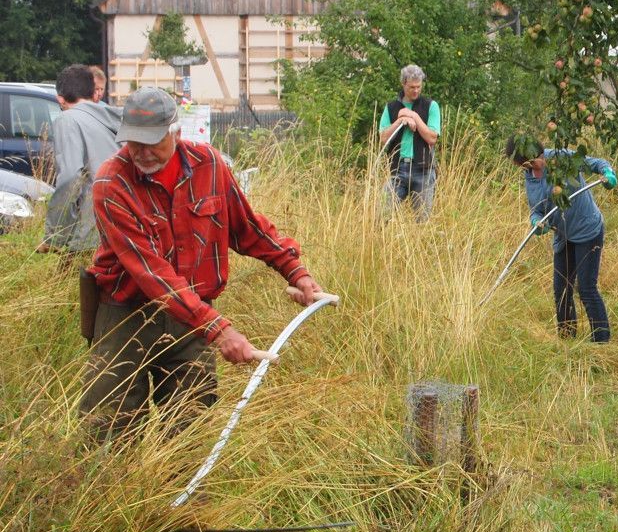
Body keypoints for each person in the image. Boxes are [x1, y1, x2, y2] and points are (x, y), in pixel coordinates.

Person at [82, 87, 323, 441]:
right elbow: (152, 274)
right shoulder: (111, 183)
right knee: (110, 429)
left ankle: (183, 496)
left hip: (191, 322)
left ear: (175, 132)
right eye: (134, 143)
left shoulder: (209, 165)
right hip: (124, 316)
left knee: (189, 427)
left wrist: (297, 273)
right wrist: (220, 330)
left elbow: (248, 228)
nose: (142, 153)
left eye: (153, 141)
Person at [506, 136, 616, 343]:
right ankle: (567, 340)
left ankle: (601, 343)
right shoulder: (529, 177)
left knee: (586, 289)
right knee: (562, 290)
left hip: (587, 231)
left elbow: (596, 163)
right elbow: (536, 209)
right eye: (524, 166)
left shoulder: (561, 158)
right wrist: (537, 222)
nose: (531, 167)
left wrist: (608, 174)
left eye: (533, 162)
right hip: (564, 237)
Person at [38, 64, 122, 257]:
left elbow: (70, 178)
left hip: (93, 229)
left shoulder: (67, 119)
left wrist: (55, 236)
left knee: (71, 283)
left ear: (60, 99)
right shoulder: (110, 118)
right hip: (125, 222)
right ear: (93, 92)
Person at [379, 64, 441, 218]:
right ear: (403, 84)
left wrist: (414, 116)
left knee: (422, 219)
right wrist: (401, 119)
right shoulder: (391, 107)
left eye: (418, 86)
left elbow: (432, 138)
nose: (416, 91)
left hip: (423, 171)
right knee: (382, 214)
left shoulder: (431, 106)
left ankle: (420, 242)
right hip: (398, 170)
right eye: (412, 87)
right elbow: (383, 138)